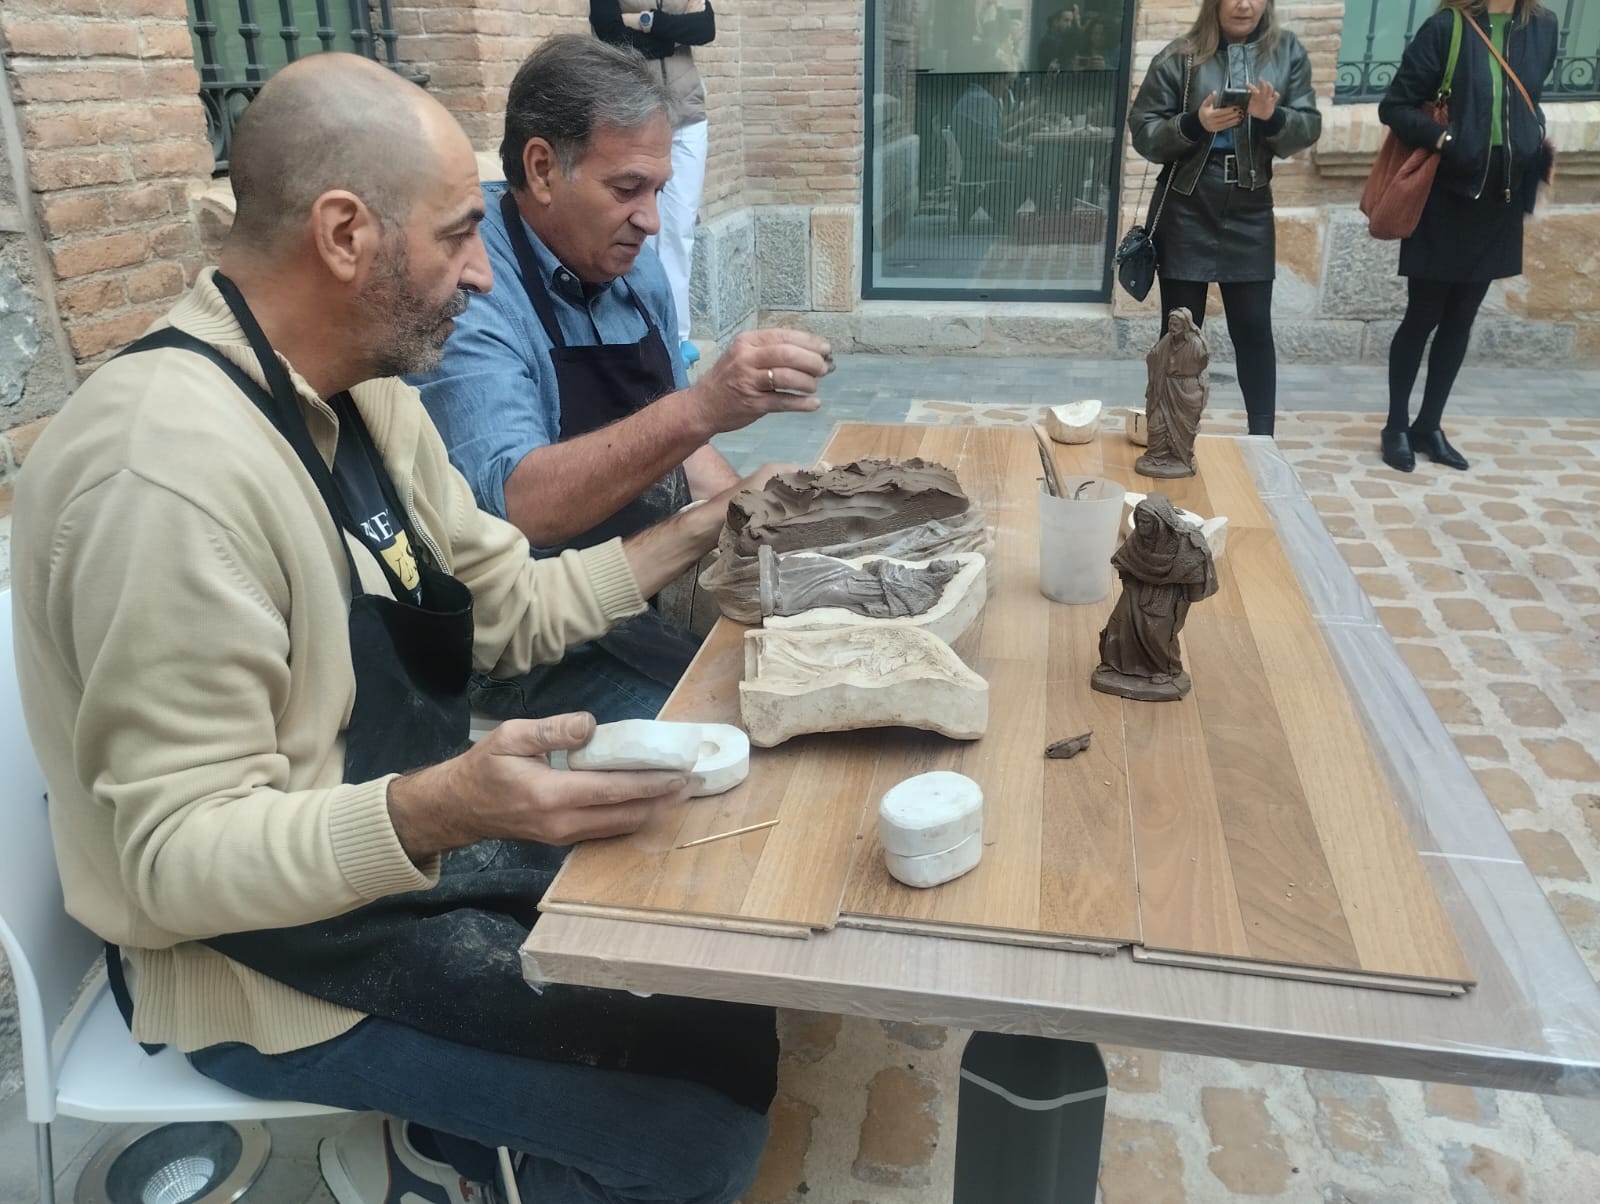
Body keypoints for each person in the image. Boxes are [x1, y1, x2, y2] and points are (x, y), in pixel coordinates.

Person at [11, 52, 779, 1204]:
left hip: (385, 859)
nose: (481, 276)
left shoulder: (361, 393)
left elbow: (507, 603)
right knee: (693, 1138)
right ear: (343, 235)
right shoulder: (160, 479)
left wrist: (710, 528)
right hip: (253, 963)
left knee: (721, 969)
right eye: (460, 233)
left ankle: (462, 1145)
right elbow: (173, 862)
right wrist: (443, 804)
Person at [414, 36, 832, 726]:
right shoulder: (472, 284)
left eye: (659, 190)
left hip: (639, 587)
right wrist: (703, 407)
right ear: (543, 169)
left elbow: (676, 440)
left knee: (795, 658)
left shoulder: (631, 267)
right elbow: (517, 505)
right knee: (719, 725)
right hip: (526, 644)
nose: (651, 220)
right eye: (627, 188)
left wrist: (745, 506)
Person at [1376, 0, 1557, 473]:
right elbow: (1393, 106)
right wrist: (1449, 141)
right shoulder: (1445, 28)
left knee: (1462, 318)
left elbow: (1529, 97)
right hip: (1447, 195)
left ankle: (1428, 425)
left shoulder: (1542, 27)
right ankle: (1396, 424)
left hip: (1500, 196)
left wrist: (1531, 133)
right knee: (1424, 315)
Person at [1128, 0, 1321, 437]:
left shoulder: (1287, 52)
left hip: (1250, 208)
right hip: (1187, 205)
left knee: (1253, 327)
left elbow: (1308, 127)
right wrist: (1195, 124)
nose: (1244, 4)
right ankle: (1168, 438)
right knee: (1178, 330)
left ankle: (1262, 442)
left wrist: (1273, 118)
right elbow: (1143, 129)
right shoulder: (1181, 56)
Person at [589, 1, 715, 367]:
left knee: (678, 228)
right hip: (635, 118)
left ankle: (676, 335)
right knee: (635, 222)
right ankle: (641, 328)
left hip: (688, 116)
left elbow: (704, 29)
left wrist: (644, 21)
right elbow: (609, 31)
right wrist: (666, 30)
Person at [1091, 493, 1219, 702]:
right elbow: (1125, 557)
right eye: (1139, 521)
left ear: (1160, 522)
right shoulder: (1141, 538)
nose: (1141, 525)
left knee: (1156, 632)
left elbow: (1198, 565)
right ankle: (1114, 664)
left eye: (1146, 521)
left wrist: (1185, 591)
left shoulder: (1185, 540)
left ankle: (1165, 670)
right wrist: (1128, 570)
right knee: (1118, 623)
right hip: (1137, 588)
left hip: (1167, 594)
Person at [1137, 306, 1211, 478]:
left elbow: (1203, 361)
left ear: (1186, 325)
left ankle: (1180, 458)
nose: (1172, 327)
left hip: (1185, 390)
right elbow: (1154, 355)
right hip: (1164, 387)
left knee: (1183, 426)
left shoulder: (1196, 343)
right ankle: (1157, 456)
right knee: (1156, 424)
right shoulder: (1168, 340)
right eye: (1170, 323)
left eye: (1176, 324)